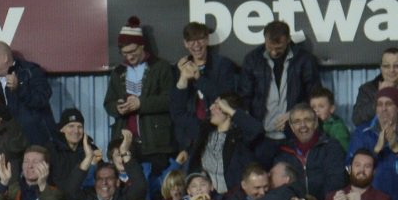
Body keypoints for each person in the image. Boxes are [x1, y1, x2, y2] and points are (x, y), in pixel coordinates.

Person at [104, 17, 175, 168]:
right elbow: (108, 103)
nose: (129, 56)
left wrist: (141, 104)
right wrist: (117, 107)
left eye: (132, 51)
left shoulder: (161, 67)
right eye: (124, 53)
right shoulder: (118, 72)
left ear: (142, 46)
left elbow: (170, 99)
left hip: (155, 143)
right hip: (124, 144)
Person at [238, 21, 321, 141]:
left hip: (295, 134)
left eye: (279, 48)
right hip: (260, 135)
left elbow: (314, 95)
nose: (274, 52)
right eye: (269, 47)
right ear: (265, 40)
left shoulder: (305, 60)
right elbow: (244, 97)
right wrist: (251, 127)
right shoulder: (252, 60)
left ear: (288, 40)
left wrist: (295, 113)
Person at [170, 22, 239, 153]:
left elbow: (227, 99)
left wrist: (199, 78)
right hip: (189, 137)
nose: (196, 45)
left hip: (216, 132)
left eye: (200, 39)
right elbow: (176, 108)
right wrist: (183, 78)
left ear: (207, 40)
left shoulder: (223, 65)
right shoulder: (178, 68)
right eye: (191, 41)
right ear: (185, 43)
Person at [0, 42, 57, 147]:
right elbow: (5, 115)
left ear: (4, 58)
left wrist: (19, 89)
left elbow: (42, 99)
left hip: (37, 142)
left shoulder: (30, 71)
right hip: (10, 144)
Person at [274, 102, 347, 200]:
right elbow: (279, 188)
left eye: (307, 120)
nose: (303, 125)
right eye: (297, 121)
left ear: (316, 123)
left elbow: (336, 184)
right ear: (292, 127)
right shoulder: (283, 152)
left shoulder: (331, 147)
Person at [347, 87, 398, 200]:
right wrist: (376, 150)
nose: (383, 108)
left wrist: (395, 148)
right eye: (379, 104)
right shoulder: (362, 133)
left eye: (389, 104)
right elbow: (350, 170)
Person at [352, 47, 398, 127]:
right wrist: (379, 96)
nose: (391, 70)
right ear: (381, 67)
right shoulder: (367, 89)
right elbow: (357, 119)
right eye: (386, 66)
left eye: (396, 66)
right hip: (374, 137)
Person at [309, 87, 350, 152]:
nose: (316, 110)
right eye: (313, 107)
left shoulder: (338, 128)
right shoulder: (310, 126)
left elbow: (344, 151)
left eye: (321, 106)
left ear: (331, 109)